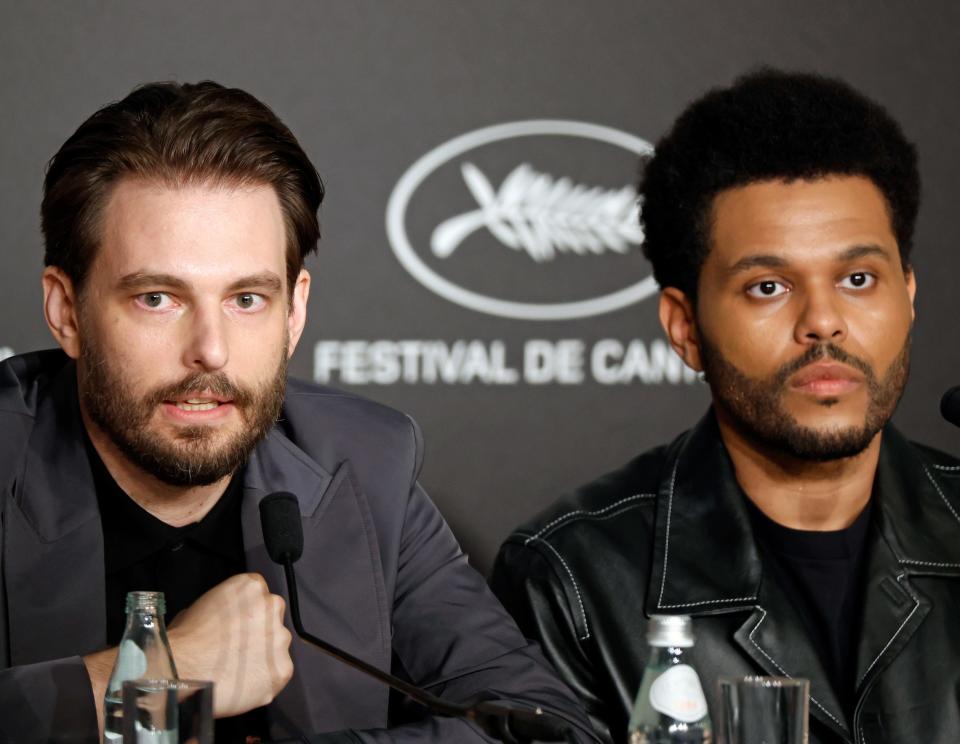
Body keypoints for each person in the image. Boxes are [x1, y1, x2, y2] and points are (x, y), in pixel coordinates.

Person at [0, 81, 596, 744]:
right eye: (158, 299)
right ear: (65, 312)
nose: (210, 351)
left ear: (296, 311)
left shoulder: (363, 466)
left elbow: (546, 729)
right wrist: (148, 682)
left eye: (247, 299)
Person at [492, 69, 960, 744]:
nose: (823, 322)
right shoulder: (575, 581)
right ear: (685, 328)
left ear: (909, 296)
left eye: (859, 279)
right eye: (768, 286)